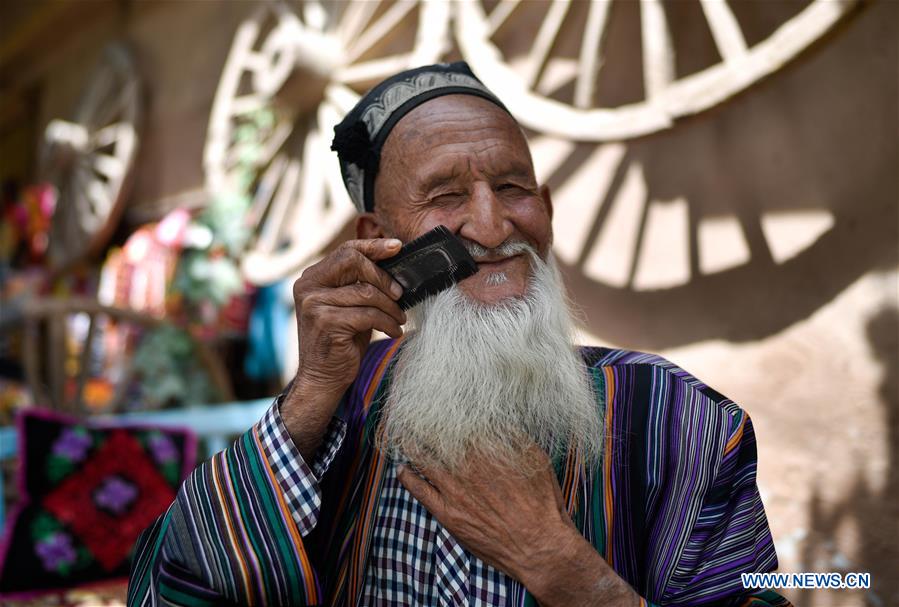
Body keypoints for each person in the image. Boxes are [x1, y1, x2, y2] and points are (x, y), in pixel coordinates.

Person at [128, 62, 790, 607]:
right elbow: (166, 591)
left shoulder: (681, 420)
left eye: (512, 187)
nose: (492, 224)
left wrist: (562, 568)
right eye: (444, 195)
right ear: (378, 241)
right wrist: (310, 393)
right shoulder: (331, 413)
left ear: (547, 213)